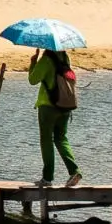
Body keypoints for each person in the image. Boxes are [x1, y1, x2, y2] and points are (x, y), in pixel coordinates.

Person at [29, 47, 82, 188]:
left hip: (48, 106)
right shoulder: (65, 58)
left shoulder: (46, 60)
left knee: (46, 140)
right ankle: (74, 171)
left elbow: (33, 80)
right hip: (65, 106)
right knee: (61, 139)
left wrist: (33, 62)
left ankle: (47, 178)